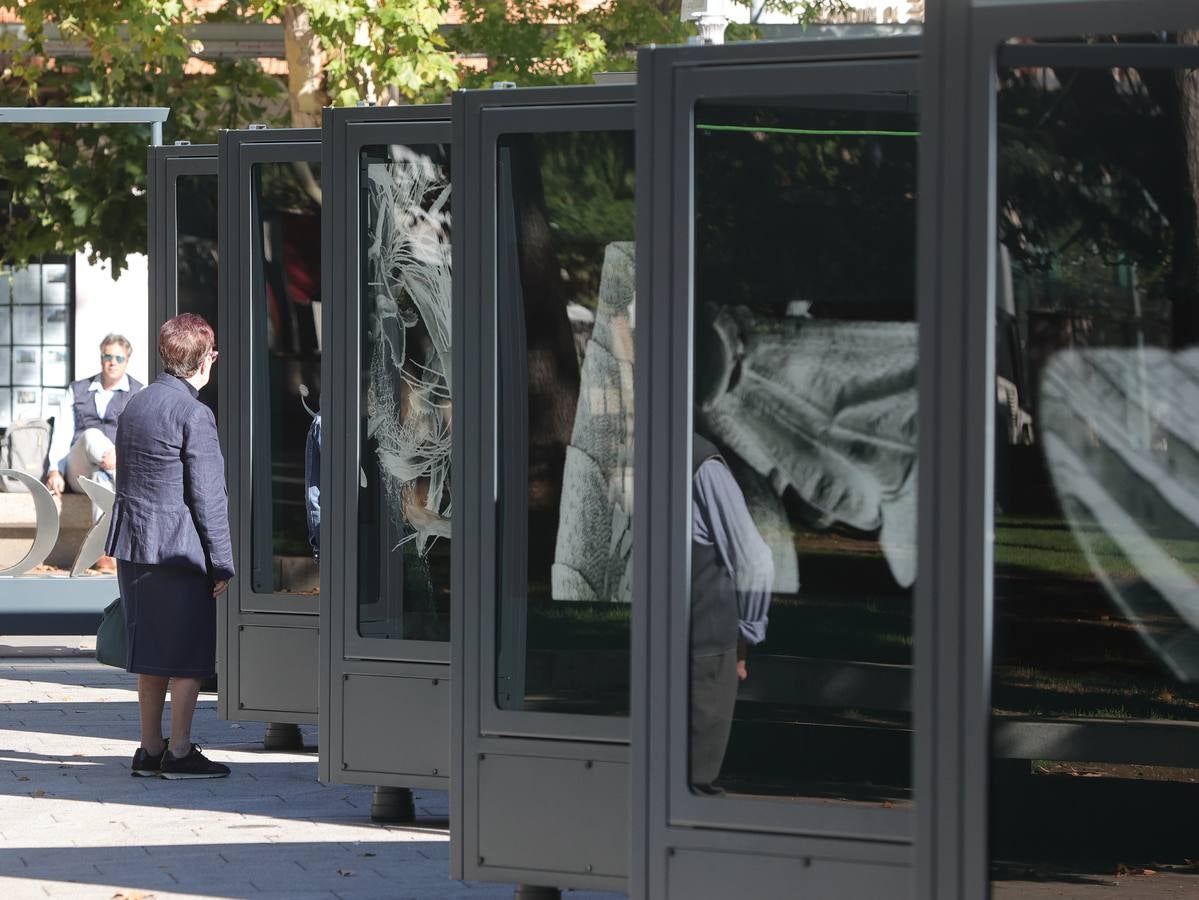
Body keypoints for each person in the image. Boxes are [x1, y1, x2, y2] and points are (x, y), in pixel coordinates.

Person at [105, 313, 233, 780]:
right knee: (187, 656)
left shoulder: (135, 403)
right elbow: (208, 496)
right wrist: (222, 563)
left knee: (153, 651)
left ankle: (148, 749)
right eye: (213, 352)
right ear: (205, 360)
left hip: (134, 544)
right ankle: (179, 752)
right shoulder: (194, 413)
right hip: (179, 551)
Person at [690, 433, 775, 795]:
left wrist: (746, 631)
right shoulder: (698, 461)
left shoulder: (699, 464)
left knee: (687, 783)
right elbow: (755, 560)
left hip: (699, 646)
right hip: (699, 645)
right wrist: (748, 633)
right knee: (691, 783)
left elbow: (755, 561)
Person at [45, 334, 144, 573]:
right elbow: (62, 432)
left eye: (118, 357)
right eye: (107, 356)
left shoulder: (139, 392)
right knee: (91, 435)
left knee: (101, 479)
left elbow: (141, 438)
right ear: (101, 358)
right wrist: (55, 469)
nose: (112, 362)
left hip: (106, 472)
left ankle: (105, 553)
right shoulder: (78, 389)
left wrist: (120, 456)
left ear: (127, 361)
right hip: (78, 466)